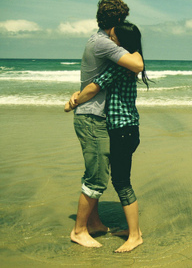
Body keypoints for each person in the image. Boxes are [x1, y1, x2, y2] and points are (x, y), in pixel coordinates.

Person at [66, 22, 149, 253]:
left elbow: (94, 87)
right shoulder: (130, 63)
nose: (110, 42)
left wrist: (74, 101)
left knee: (122, 182)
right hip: (128, 128)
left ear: (122, 41)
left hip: (123, 130)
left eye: (113, 39)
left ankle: (135, 236)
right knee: (120, 179)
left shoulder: (121, 66)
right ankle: (131, 231)